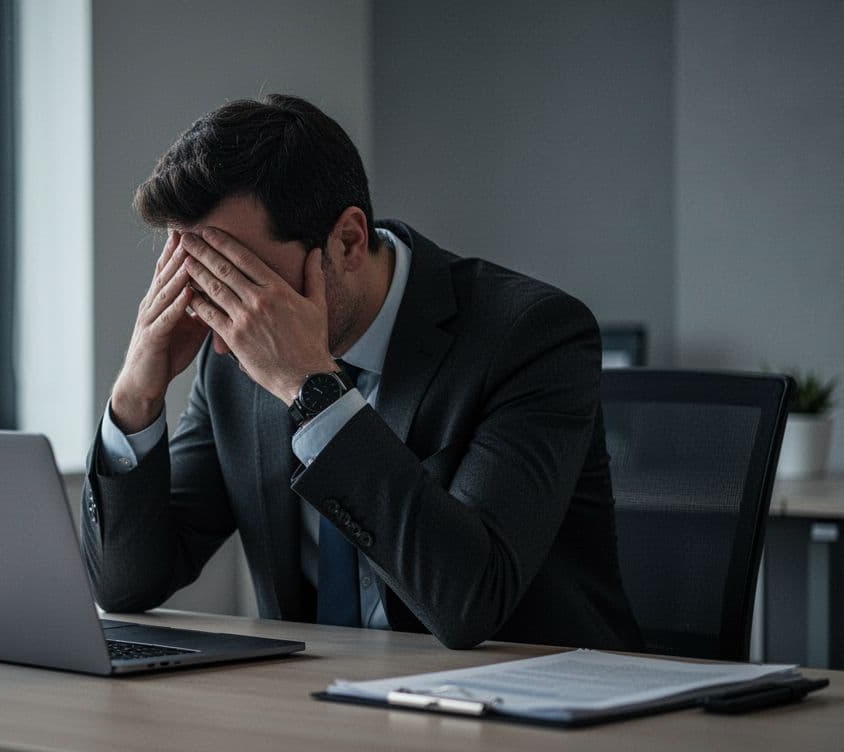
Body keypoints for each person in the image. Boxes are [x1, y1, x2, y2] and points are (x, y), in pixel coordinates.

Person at [79, 94, 642, 651]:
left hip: (527, 713)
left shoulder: (532, 336)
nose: (230, 314)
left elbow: (471, 601)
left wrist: (312, 389)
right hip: (318, 710)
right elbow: (125, 585)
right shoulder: (229, 360)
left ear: (348, 240)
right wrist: (136, 392)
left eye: (243, 278)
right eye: (199, 274)